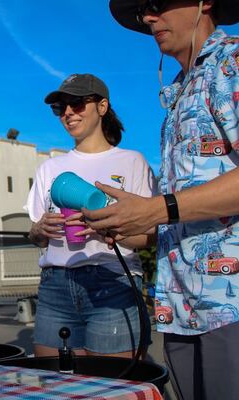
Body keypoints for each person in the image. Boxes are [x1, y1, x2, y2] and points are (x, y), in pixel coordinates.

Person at [84, 1, 239, 398]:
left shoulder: (232, 62)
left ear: (205, 2)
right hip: (181, 309)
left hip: (231, 306)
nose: (149, 18)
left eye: (157, 4)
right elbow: (187, 214)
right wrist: (127, 224)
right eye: (142, 12)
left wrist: (156, 208)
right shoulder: (178, 92)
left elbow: (172, 207)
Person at [26, 73, 156, 358]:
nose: (68, 112)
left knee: (114, 387)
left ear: (102, 106)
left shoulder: (132, 162)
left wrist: (106, 229)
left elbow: (147, 236)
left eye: (77, 103)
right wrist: (40, 230)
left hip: (112, 281)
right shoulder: (50, 168)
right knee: (55, 386)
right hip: (55, 286)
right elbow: (35, 235)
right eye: (61, 107)